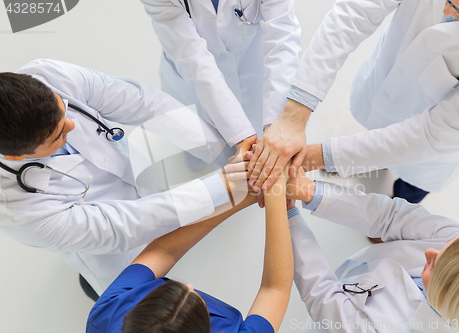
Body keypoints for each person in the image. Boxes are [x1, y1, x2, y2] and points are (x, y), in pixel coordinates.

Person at [0, 59, 247, 300]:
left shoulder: (49, 76)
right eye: (57, 135)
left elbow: (145, 105)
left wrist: (229, 154)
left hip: (137, 178)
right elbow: (122, 227)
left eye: (63, 110)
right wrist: (225, 185)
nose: (72, 125)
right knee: (143, 290)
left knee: (160, 213)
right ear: (15, 155)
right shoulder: (14, 210)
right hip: (109, 245)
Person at [248, 0, 459, 203]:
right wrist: (295, 114)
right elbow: (352, 14)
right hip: (385, 88)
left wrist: (314, 157)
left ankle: (393, 210)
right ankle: (353, 160)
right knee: (374, 135)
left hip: (433, 148)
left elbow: (429, 136)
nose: (444, 9)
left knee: (410, 188)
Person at [284, 167, 459, 332]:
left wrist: (288, 215)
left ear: (447, 295)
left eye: (437, 265)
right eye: (445, 248)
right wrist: (309, 190)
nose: (429, 252)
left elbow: (324, 298)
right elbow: (390, 217)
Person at [86, 163, 293, 333]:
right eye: (195, 299)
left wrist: (242, 195)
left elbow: (164, 250)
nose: (191, 287)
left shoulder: (107, 313)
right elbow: (274, 289)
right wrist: (275, 188)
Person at [140, 0, 301, 160]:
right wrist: (242, 135)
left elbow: (282, 41)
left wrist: (276, 124)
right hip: (189, 79)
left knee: (260, 139)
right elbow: (194, 61)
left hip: (250, 63)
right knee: (193, 146)